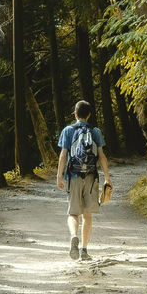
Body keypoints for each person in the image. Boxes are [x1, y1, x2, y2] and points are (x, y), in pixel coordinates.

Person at [55, 100, 112, 260]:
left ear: (75, 114)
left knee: (73, 213)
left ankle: (74, 235)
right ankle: (84, 250)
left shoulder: (67, 130)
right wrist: (107, 179)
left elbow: (63, 155)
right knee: (87, 215)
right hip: (91, 177)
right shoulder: (95, 131)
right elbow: (101, 156)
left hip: (73, 176)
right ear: (89, 115)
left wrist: (59, 176)